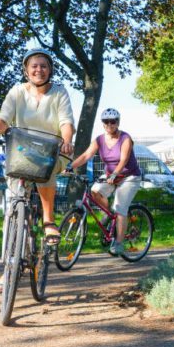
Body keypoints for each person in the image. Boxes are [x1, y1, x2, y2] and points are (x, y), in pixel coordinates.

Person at [0, 48, 75, 293]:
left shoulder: (59, 92)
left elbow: (66, 123)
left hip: (52, 151)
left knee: (47, 169)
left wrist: (66, 140)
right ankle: (7, 271)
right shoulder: (17, 92)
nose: (38, 69)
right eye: (34, 66)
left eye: (43, 65)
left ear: (50, 69)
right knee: (11, 212)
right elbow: (3, 119)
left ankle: (49, 221)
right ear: (26, 70)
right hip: (21, 153)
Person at [68, 108, 142, 256]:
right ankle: (108, 214)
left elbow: (124, 160)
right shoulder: (99, 140)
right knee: (95, 191)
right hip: (111, 176)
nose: (109, 124)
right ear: (103, 124)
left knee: (120, 207)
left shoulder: (125, 138)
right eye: (106, 122)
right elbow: (86, 155)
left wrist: (115, 173)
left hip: (129, 177)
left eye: (113, 121)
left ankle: (119, 243)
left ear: (118, 122)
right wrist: (70, 166)